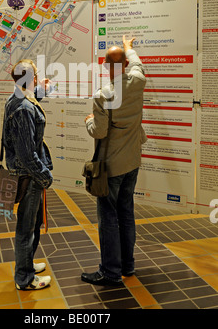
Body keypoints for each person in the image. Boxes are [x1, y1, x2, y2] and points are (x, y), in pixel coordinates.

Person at [81, 35, 146, 286]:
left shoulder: (103, 95)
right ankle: (127, 266)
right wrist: (129, 48)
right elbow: (136, 62)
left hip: (111, 167)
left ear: (106, 66)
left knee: (108, 217)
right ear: (126, 66)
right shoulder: (138, 81)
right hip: (132, 162)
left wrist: (88, 120)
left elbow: (99, 132)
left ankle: (109, 271)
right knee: (126, 213)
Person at [3, 59, 53, 290]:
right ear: (29, 78)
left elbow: (33, 106)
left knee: (32, 224)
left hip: (26, 173)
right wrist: (44, 176)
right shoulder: (23, 108)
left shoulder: (18, 98)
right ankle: (24, 278)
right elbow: (26, 153)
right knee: (26, 227)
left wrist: (40, 89)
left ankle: (28, 265)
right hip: (29, 175)